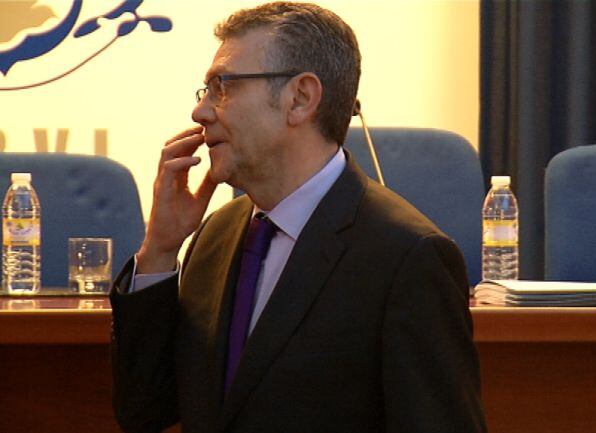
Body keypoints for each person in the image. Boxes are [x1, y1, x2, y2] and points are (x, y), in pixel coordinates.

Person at [110, 2, 487, 433]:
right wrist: (159, 250)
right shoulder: (216, 234)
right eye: (207, 91)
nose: (201, 112)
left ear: (300, 99)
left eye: (223, 87)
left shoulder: (407, 257)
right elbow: (144, 411)